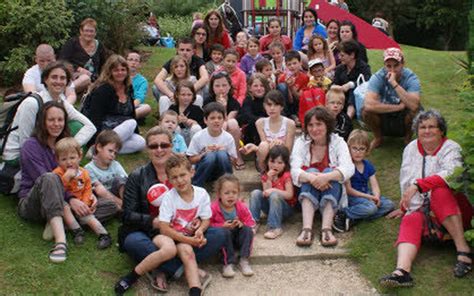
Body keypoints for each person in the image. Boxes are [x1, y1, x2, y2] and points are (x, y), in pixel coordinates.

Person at [118, 127, 224, 293]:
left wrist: (197, 224)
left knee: (219, 235)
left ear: (171, 146)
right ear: (147, 150)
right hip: (152, 233)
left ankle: (162, 267)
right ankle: (183, 270)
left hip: (183, 231)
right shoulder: (137, 176)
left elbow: (195, 204)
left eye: (164, 145)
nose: (159, 150)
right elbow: (126, 214)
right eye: (153, 146)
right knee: (133, 242)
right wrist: (152, 221)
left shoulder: (181, 171)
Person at [380, 110, 473, 287]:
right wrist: (406, 207)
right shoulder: (410, 148)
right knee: (411, 219)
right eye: (422, 127)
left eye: (432, 127)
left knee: (439, 191)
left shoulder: (452, 147)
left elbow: (451, 174)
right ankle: (402, 272)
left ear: (441, 130)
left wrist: (419, 185)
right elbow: (405, 179)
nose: (427, 131)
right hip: (427, 211)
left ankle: (464, 251)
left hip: (456, 210)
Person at [17, 101, 81, 263]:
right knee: (50, 177)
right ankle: (61, 241)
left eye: (60, 120)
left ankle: (55, 221)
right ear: (42, 122)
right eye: (51, 120)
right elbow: (50, 182)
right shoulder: (30, 146)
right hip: (32, 204)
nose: (56, 124)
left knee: (99, 205)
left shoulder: (66, 145)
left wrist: (88, 195)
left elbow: (78, 175)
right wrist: (72, 199)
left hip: (61, 200)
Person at [3, 61, 96, 165]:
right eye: (54, 77)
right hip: (18, 154)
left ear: (67, 82)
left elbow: (90, 127)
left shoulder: (62, 102)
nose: (58, 81)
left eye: (62, 78)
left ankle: (66, 160)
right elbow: (25, 143)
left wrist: (69, 148)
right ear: (45, 79)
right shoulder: (32, 103)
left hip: (44, 148)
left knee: (76, 126)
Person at [158, 155, 221, 296]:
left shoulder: (201, 193)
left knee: (220, 234)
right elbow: (164, 228)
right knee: (187, 251)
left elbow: (206, 219)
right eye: (174, 177)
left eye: (183, 175)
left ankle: (171, 266)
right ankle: (195, 289)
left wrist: (200, 230)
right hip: (175, 239)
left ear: (191, 173)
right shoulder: (169, 197)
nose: (180, 180)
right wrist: (189, 240)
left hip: (192, 235)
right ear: (168, 179)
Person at [291, 107, 354, 247]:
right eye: (311, 125)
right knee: (311, 171)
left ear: (327, 125)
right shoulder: (301, 142)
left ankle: (326, 229)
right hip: (308, 191)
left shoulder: (338, 142)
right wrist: (313, 178)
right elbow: (294, 170)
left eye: (319, 124)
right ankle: (306, 229)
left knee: (330, 172)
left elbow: (348, 168)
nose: (314, 129)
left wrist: (326, 177)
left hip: (331, 190)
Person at [53, 137, 112, 249]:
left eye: (72, 158)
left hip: (82, 205)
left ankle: (104, 235)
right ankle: (77, 231)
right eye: (64, 159)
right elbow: (57, 191)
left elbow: (87, 188)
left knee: (89, 217)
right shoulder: (57, 173)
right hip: (67, 207)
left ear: (79, 157)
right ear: (57, 160)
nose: (69, 162)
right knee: (65, 208)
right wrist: (65, 179)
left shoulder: (84, 172)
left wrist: (85, 204)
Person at [333, 129, 394, 232]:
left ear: (367, 150)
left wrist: (376, 197)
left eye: (362, 149)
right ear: (349, 149)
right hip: (352, 197)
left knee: (389, 204)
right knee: (371, 208)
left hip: (366, 195)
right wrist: (369, 197)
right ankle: (343, 213)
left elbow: (375, 185)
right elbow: (349, 190)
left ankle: (356, 218)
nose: (358, 152)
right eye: (355, 148)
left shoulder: (367, 165)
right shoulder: (347, 165)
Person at [84, 54, 145, 154]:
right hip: (104, 130)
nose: (120, 73)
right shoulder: (103, 90)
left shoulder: (128, 87)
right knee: (132, 123)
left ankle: (103, 150)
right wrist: (93, 140)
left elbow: (132, 112)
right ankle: (98, 145)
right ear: (110, 72)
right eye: (116, 70)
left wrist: (134, 132)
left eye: (123, 70)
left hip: (122, 129)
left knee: (141, 142)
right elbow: (95, 117)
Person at [363, 47, 421, 150]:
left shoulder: (411, 78)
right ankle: (378, 137)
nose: (392, 70)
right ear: (384, 66)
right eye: (388, 66)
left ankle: (407, 138)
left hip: (403, 115)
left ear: (403, 64)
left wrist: (394, 83)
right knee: (365, 111)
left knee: (416, 111)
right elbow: (368, 104)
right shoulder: (378, 76)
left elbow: (414, 105)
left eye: (396, 65)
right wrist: (398, 107)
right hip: (386, 111)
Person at [210, 174, 255, 277]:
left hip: (238, 237)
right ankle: (228, 263)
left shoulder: (241, 207)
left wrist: (242, 224)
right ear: (219, 194)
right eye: (226, 193)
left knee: (248, 230)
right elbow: (208, 225)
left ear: (238, 193)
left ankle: (244, 260)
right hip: (224, 238)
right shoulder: (213, 208)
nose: (231, 195)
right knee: (224, 233)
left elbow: (251, 222)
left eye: (234, 192)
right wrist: (222, 225)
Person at [240, 90, 296, 172]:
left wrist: (281, 144)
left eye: (276, 104)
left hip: (283, 160)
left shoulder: (290, 123)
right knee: (263, 145)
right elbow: (265, 148)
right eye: (269, 105)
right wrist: (254, 147)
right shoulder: (260, 123)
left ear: (282, 107)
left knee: (267, 146)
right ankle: (265, 175)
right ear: (264, 106)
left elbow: (289, 151)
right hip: (266, 161)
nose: (272, 108)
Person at [250, 145, 296, 239]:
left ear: (285, 164)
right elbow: (266, 193)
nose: (275, 165)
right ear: (267, 161)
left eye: (280, 162)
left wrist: (274, 190)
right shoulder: (265, 175)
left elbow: (289, 195)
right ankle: (253, 222)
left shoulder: (286, 175)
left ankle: (275, 227)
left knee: (275, 195)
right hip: (270, 207)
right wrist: (269, 180)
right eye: (272, 161)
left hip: (285, 209)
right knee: (255, 193)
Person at [187, 102, 237, 187]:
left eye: (219, 118)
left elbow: (234, 161)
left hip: (222, 173)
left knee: (221, 154)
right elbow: (190, 159)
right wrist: (203, 154)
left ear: (224, 120)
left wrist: (225, 153)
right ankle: (196, 187)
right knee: (210, 156)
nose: (216, 121)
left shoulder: (228, 137)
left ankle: (229, 185)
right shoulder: (198, 136)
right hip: (203, 170)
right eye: (212, 118)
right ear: (205, 120)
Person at [205, 71, 245, 169]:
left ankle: (236, 155)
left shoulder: (233, 102)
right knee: (221, 124)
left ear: (229, 86)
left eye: (224, 85)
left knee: (232, 123)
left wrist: (224, 107)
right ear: (212, 87)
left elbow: (228, 120)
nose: (221, 89)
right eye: (217, 86)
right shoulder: (208, 101)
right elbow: (208, 120)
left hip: (230, 131)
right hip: (212, 130)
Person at [153, 37, 209, 104]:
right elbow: (158, 79)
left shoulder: (198, 61)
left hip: (193, 90)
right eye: (182, 50)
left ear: (193, 52)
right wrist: (170, 94)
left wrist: (189, 90)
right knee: (155, 88)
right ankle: (166, 108)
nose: (184, 53)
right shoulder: (173, 61)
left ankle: (202, 109)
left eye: (188, 50)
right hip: (175, 90)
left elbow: (205, 78)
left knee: (206, 88)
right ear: (177, 51)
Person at [85, 130, 128, 211]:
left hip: (117, 194)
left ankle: (127, 205)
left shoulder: (115, 164)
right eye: (110, 151)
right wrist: (120, 202)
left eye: (115, 153)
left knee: (121, 179)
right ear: (99, 147)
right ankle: (125, 208)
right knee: (99, 190)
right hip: (103, 198)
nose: (112, 155)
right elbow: (100, 192)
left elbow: (126, 181)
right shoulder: (89, 168)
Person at [59, 18, 107, 87]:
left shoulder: (99, 46)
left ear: (95, 33)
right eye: (86, 31)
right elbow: (62, 61)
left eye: (91, 31)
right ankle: (67, 91)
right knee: (85, 78)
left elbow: (104, 65)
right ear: (81, 31)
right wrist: (78, 68)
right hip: (75, 77)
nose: (89, 33)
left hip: (94, 79)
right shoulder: (72, 43)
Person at [333, 40, 371, 119]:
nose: (339, 58)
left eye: (342, 55)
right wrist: (335, 87)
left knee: (353, 90)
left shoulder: (363, 67)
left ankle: (348, 118)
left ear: (352, 55)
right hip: (342, 97)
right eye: (339, 55)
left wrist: (350, 85)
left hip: (358, 100)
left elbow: (367, 82)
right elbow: (335, 83)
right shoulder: (340, 68)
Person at [277, 50, 310, 125]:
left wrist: (291, 87)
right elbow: (285, 99)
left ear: (300, 63)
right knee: (282, 86)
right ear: (286, 65)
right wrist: (287, 86)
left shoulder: (304, 78)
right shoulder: (282, 78)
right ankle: (286, 116)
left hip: (298, 104)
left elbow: (300, 98)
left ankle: (295, 116)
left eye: (295, 63)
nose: (292, 66)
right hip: (286, 104)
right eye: (289, 64)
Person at [237, 73, 272, 144]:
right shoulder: (248, 100)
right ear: (250, 88)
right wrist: (261, 121)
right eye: (255, 86)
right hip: (252, 131)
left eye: (262, 86)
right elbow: (247, 116)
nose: (259, 88)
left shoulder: (269, 100)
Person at [168, 81, 204, 145]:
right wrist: (175, 121)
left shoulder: (197, 109)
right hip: (177, 139)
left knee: (196, 127)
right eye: (183, 94)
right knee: (175, 127)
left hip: (191, 139)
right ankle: (177, 150)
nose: (186, 97)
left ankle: (193, 152)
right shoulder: (172, 108)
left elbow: (204, 126)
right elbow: (166, 123)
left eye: (189, 95)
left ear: (193, 95)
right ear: (177, 95)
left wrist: (195, 123)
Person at [126, 51, 152, 120]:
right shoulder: (120, 76)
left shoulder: (143, 81)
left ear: (139, 64)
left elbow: (139, 98)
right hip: (120, 104)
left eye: (136, 60)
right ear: (125, 62)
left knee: (147, 108)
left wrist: (129, 108)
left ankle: (125, 117)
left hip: (134, 106)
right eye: (130, 60)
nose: (133, 62)